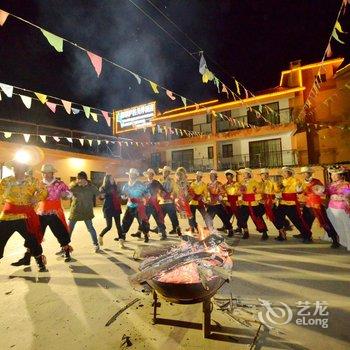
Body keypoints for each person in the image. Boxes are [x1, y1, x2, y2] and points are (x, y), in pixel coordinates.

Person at [12, 164, 73, 266]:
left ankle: (66, 251)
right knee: (35, 234)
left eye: (47, 172)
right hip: (41, 212)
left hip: (55, 212)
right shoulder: (38, 183)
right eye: (43, 173)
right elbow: (31, 195)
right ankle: (28, 257)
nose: (45, 174)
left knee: (61, 232)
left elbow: (69, 193)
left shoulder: (59, 183)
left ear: (52, 173)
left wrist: (66, 195)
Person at [0, 159, 47, 272]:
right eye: (15, 167)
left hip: (25, 216)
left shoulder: (33, 180)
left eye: (20, 167)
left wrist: (35, 198)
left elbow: (44, 191)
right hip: (7, 216)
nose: (17, 169)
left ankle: (40, 262)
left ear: (25, 169)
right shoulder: (6, 181)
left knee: (32, 240)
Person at [299, 166, 340, 248]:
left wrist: (318, 189)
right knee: (306, 222)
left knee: (324, 222)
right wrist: (301, 191)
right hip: (308, 204)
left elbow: (323, 191)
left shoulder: (316, 181)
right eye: (303, 173)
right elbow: (302, 192)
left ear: (310, 173)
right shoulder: (302, 182)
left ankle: (334, 239)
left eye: (306, 173)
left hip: (316, 204)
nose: (304, 175)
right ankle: (308, 237)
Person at [274, 167, 312, 242]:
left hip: (291, 204)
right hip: (282, 203)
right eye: (283, 173)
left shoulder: (295, 180)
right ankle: (282, 234)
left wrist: (299, 189)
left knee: (297, 221)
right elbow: (278, 191)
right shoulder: (283, 181)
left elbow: (300, 190)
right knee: (277, 217)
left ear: (290, 173)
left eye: (285, 172)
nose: (284, 174)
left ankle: (307, 236)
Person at [69, 171, 100, 252]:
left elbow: (99, 194)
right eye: (78, 179)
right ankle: (65, 247)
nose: (79, 181)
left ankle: (96, 244)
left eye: (81, 179)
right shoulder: (74, 187)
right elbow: (66, 194)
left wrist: (102, 196)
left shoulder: (91, 187)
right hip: (75, 210)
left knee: (90, 228)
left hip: (87, 211)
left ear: (85, 179)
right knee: (69, 229)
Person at [121, 168, 150, 243]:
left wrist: (143, 200)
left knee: (143, 221)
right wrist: (125, 196)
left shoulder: (140, 184)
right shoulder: (126, 185)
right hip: (130, 206)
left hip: (139, 206)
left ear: (135, 176)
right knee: (126, 221)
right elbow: (123, 195)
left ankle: (146, 235)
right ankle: (122, 236)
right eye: (130, 175)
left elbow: (147, 193)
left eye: (132, 175)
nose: (131, 176)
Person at [239, 168, 269, 240]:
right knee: (242, 218)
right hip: (244, 203)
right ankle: (246, 232)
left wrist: (256, 190)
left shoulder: (254, 182)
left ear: (249, 174)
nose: (244, 174)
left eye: (245, 173)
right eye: (243, 173)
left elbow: (260, 190)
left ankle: (264, 233)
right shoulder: (242, 182)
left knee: (257, 218)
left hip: (253, 203)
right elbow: (239, 191)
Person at [326, 165, 350, 251]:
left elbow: (348, 195)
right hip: (331, 208)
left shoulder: (346, 184)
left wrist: (340, 197)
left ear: (341, 175)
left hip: (342, 208)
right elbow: (327, 194)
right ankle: (340, 241)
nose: (333, 176)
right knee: (336, 226)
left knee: (346, 226)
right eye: (332, 174)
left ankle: (348, 243)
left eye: (335, 175)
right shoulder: (330, 185)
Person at [98, 174, 124, 248]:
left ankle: (121, 241)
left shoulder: (116, 187)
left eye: (113, 179)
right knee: (109, 226)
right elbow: (101, 197)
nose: (113, 180)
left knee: (118, 226)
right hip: (108, 208)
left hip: (116, 208)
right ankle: (100, 236)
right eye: (111, 179)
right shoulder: (103, 188)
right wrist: (102, 196)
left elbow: (120, 194)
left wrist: (123, 196)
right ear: (107, 180)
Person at [207, 169, 234, 237]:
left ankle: (230, 229)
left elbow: (223, 192)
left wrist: (220, 197)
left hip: (218, 204)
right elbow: (207, 193)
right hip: (211, 204)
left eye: (213, 175)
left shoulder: (219, 184)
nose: (211, 177)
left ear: (216, 176)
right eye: (210, 175)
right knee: (208, 218)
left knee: (224, 218)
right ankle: (210, 230)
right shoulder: (209, 184)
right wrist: (207, 199)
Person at [142, 168, 167, 240]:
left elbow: (163, 191)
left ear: (152, 175)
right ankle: (146, 235)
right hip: (146, 204)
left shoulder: (156, 182)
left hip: (154, 204)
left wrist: (162, 194)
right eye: (148, 174)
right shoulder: (144, 183)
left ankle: (163, 233)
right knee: (145, 221)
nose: (149, 175)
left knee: (159, 219)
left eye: (150, 174)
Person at [158, 166, 181, 235]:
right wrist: (160, 193)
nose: (165, 173)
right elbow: (157, 190)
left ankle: (176, 229)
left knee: (173, 217)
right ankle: (162, 230)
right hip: (162, 202)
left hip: (170, 202)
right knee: (160, 217)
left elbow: (176, 189)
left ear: (168, 173)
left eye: (166, 172)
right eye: (164, 172)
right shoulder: (160, 180)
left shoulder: (172, 181)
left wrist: (172, 195)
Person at [223, 169, 242, 234]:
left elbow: (240, 193)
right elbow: (224, 194)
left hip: (236, 202)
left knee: (238, 216)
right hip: (228, 202)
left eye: (229, 176)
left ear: (232, 177)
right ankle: (228, 227)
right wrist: (226, 202)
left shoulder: (237, 184)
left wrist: (238, 201)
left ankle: (240, 228)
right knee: (226, 216)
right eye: (227, 177)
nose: (228, 178)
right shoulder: (225, 185)